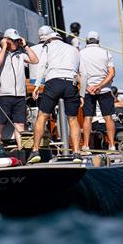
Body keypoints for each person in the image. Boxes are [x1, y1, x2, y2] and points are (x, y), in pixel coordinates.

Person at [31, 27, 81, 161]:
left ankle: (35, 151)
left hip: (53, 82)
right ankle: (76, 153)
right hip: (71, 83)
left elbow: (42, 66)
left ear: (49, 40)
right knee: (73, 119)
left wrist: (37, 86)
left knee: (42, 116)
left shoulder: (48, 47)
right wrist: (81, 95)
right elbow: (84, 73)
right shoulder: (74, 50)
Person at [0, 28, 39, 149]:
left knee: (20, 125)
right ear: (6, 41)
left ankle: (20, 150)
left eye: (18, 41)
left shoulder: (21, 54)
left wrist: (26, 46)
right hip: (2, 95)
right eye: (14, 41)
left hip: (19, 96)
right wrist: (3, 48)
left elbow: (35, 60)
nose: (17, 43)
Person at [79, 31, 115, 151]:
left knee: (87, 117)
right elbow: (112, 73)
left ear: (87, 41)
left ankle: (86, 146)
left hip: (87, 90)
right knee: (108, 117)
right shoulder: (106, 53)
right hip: (104, 89)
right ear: (98, 41)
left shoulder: (80, 53)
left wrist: (88, 86)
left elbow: (78, 72)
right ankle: (112, 145)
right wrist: (99, 86)